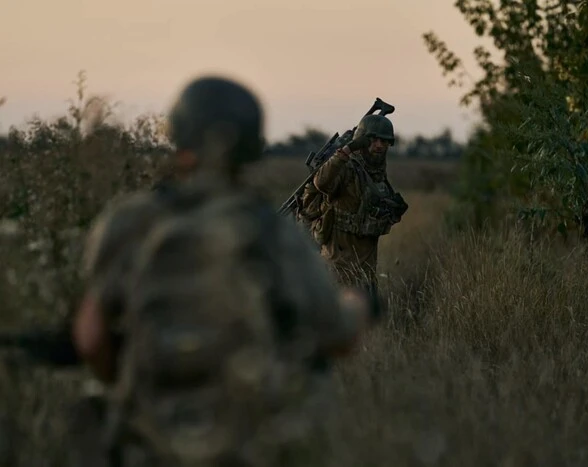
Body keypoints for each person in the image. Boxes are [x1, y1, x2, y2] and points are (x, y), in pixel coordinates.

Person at [70, 75, 379, 466]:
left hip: (146, 446)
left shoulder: (127, 223)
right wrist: (358, 305)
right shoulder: (274, 234)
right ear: (251, 149)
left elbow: (92, 338)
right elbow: (335, 336)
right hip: (245, 448)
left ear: (177, 137)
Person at [310, 114, 408, 298]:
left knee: (366, 319)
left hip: (366, 267)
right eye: (373, 140)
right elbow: (321, 183)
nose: (379, 145)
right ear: (362, 141)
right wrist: (346, 151)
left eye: (384, 141)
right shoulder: (347, 167)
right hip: (338, 264)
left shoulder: (377, 172)